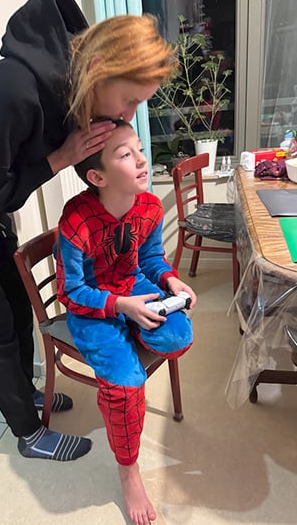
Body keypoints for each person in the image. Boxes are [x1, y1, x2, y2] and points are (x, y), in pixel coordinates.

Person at [0, 0, 176, 464]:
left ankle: (28, 394)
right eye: (131, 101)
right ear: (98, 70)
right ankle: (29, 435)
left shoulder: (72, 90)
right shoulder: (12, 89)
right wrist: (60, 157)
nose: (130, 113)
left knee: (14, 305)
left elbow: (81, 162)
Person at [56, 118, 197, 525]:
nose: (141, 159)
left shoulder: (149, 206)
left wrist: (171, 280)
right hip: (92, 303)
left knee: (178, 335)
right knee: (126, 385)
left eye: (139, 149)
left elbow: (151, 260)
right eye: (125, 154)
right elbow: (71, 291)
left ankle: (135, 328)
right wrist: (121, 307)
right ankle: (128, 471)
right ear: (97, 176)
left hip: (132, 285)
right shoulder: (76, 221)